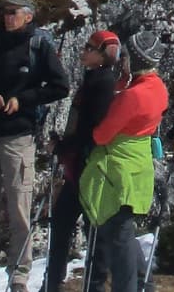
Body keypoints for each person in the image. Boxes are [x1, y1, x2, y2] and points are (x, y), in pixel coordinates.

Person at [0, 0, 71, 292]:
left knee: (20, 212)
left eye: (13, 12)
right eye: (4, 12)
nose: (7, 17)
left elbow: (61, 86)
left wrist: (22, 100)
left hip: (18, 139)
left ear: (28, 16)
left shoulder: (38, 46)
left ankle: (19, 276)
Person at [79, 30, 169, 292]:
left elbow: (102, 133)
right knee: (124, 235)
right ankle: (145, 285)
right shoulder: (158, 88)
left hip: (116, 171)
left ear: (135, 60)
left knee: (118, 240)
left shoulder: (132, 96)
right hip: (138, 168)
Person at [44, 30, 122, 291]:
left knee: (89, 231)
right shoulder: (96, 79)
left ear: (102, 55)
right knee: (67, 224)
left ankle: (88, 285)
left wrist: (61, 147)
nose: (83, 50)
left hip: (87, 168)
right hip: (78, 167)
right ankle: (53, 282)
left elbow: (90, 130)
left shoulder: (102, 83)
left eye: (90, 47)